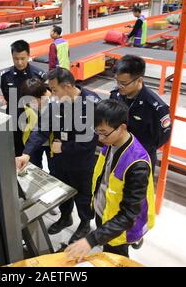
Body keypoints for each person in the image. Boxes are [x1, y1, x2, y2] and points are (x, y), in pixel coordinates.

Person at [16, 67, 100, 244]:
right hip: (59, 160)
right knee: (62, 190)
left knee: (83, 194)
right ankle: (65, 217)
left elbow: (90, 140)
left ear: (68, 86)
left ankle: (85, 223)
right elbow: (41, 129)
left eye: (54, 89)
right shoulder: (56, 103)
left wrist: (64, 148)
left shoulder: (91, 103)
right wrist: (26, 153)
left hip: (81, 161)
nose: (51, 94)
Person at [65, 99, 155, 260]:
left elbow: (129, 215)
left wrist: (91, 240)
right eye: (97, 132)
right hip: (107, 215)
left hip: (121, 227)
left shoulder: (137, 164)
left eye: (103, 133)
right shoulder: (112, 142)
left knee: (116, 257)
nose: (99, 138)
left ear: (121, 128)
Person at [109, 55, 171, 177]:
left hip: (139, 160)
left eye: (124, 83)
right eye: (117, 81)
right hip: (116, 152)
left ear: (139, 80)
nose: (119, 86)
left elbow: (160, 139)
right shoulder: (116, 96)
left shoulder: (155, 107)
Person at [0, 40, 47, 157]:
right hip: (15, 121)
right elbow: (7, 97)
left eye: (23, 58)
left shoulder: (38, 75)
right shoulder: (6, 76)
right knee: (16, 153)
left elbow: (44, 100)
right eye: (16, 59)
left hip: (34, 122)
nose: (19, 62)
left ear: (29, 56)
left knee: (34, 155)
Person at [19, 78, 53, 170]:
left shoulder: (56, 103)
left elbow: (41, 130)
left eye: (33, 101)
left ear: (42, 95)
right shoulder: (29, 99)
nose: (31, 104)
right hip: (33, 142)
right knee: (34, 168)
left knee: (54, 170)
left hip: (52, 145)